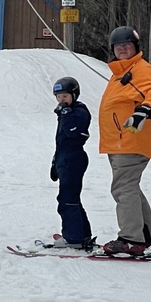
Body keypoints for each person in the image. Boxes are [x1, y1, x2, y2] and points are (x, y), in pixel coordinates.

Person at [98, 26, 151, 256]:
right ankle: (146, 234)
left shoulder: (141, 69)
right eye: (118, 46)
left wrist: (144, 111)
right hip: (120, 141)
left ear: (136, 47)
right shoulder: (120, 72)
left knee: (123, 187)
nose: (123, 49)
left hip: (131, 140)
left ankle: (130, 239)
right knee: (129, 186)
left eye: (127, 45)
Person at [48, 76, 93, 249]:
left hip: (74, 159)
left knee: (67, 200)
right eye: (58, 97)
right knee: (71, 198)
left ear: (74, 95)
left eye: (65, 97)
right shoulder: (65, 112)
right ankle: (82, 234)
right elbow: (61, 141)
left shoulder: (79, 111)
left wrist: (65, 113)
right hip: (64, 159)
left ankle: (73, 238)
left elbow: (73, 132)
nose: (61, 101)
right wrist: (55, 163)